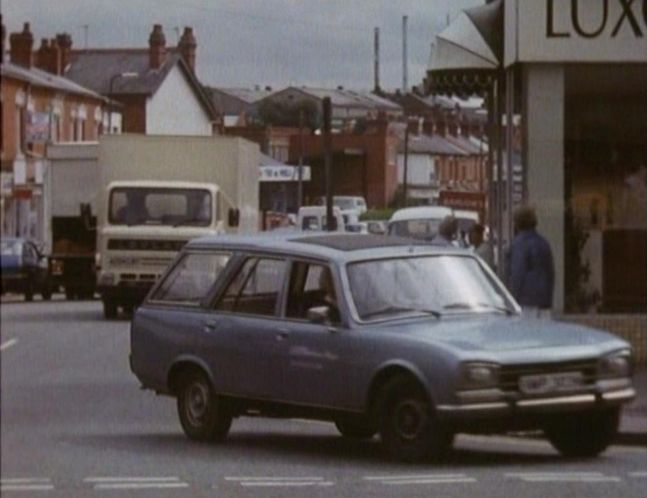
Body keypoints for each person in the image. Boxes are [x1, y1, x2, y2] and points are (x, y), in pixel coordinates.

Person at [506, 205, 554, 318]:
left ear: (517, 223)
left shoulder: (519, 244)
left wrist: (510, 299)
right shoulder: (543, 243)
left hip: (525, 301)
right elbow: (550, 273)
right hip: (544, 301)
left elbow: (517, 274)